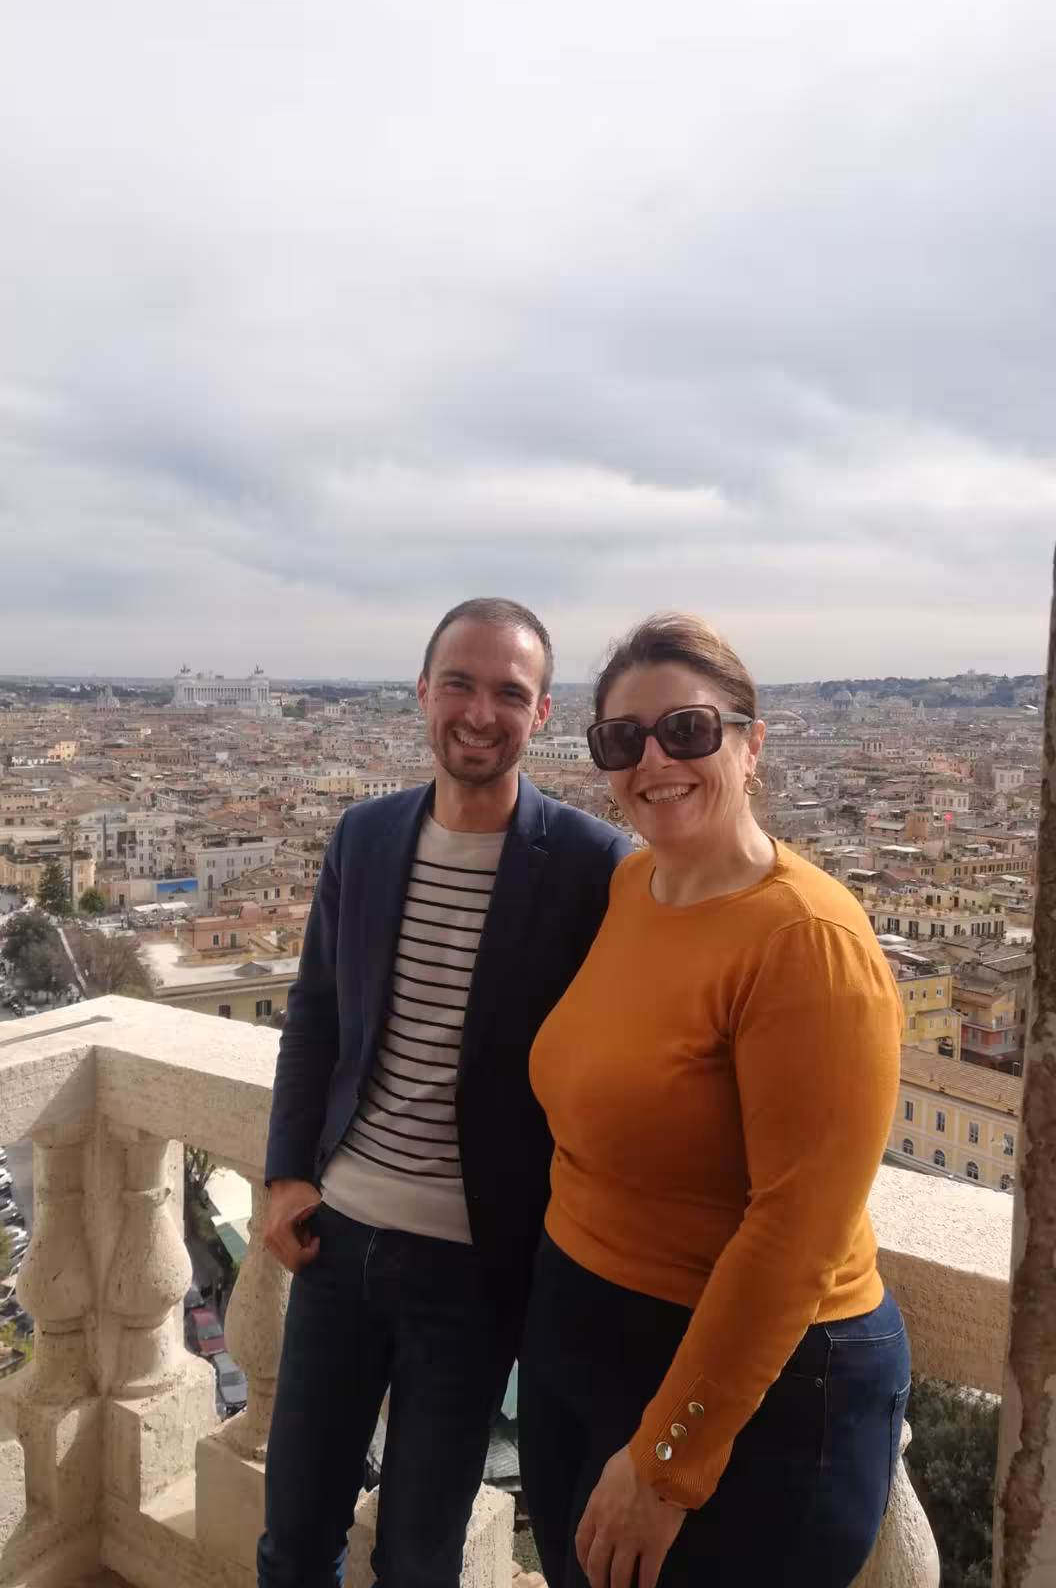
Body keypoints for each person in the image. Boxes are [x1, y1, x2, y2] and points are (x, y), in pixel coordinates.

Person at [520, 613, 909, 1588]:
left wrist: (668, 1458)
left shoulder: (808, 937)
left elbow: (796, 1230)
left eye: (688, 729)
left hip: (748, 1395)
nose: (655, 759)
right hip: (587, 1339)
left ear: (751, 740)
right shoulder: (634, 886)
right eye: (624, 739)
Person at [258, 598, 633, 1588]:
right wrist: (286, 1173)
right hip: (339, 1244)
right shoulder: (365, 836)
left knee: (420, 1558)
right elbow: (318, 1015)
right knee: (293, 1537)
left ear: (542, 712)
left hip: (476, 1272)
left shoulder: (595, 867)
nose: (480, 710)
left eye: (509, 691)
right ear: (423, 692)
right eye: (460, 683)